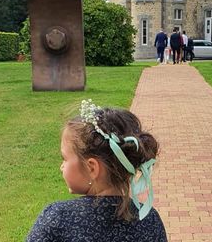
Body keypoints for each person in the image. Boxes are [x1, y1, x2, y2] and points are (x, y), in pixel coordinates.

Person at [26, 100, 167, 242]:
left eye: (65, 159)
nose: (61, 166)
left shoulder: (58, 219)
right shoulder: (149, 220)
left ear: (92, 167)